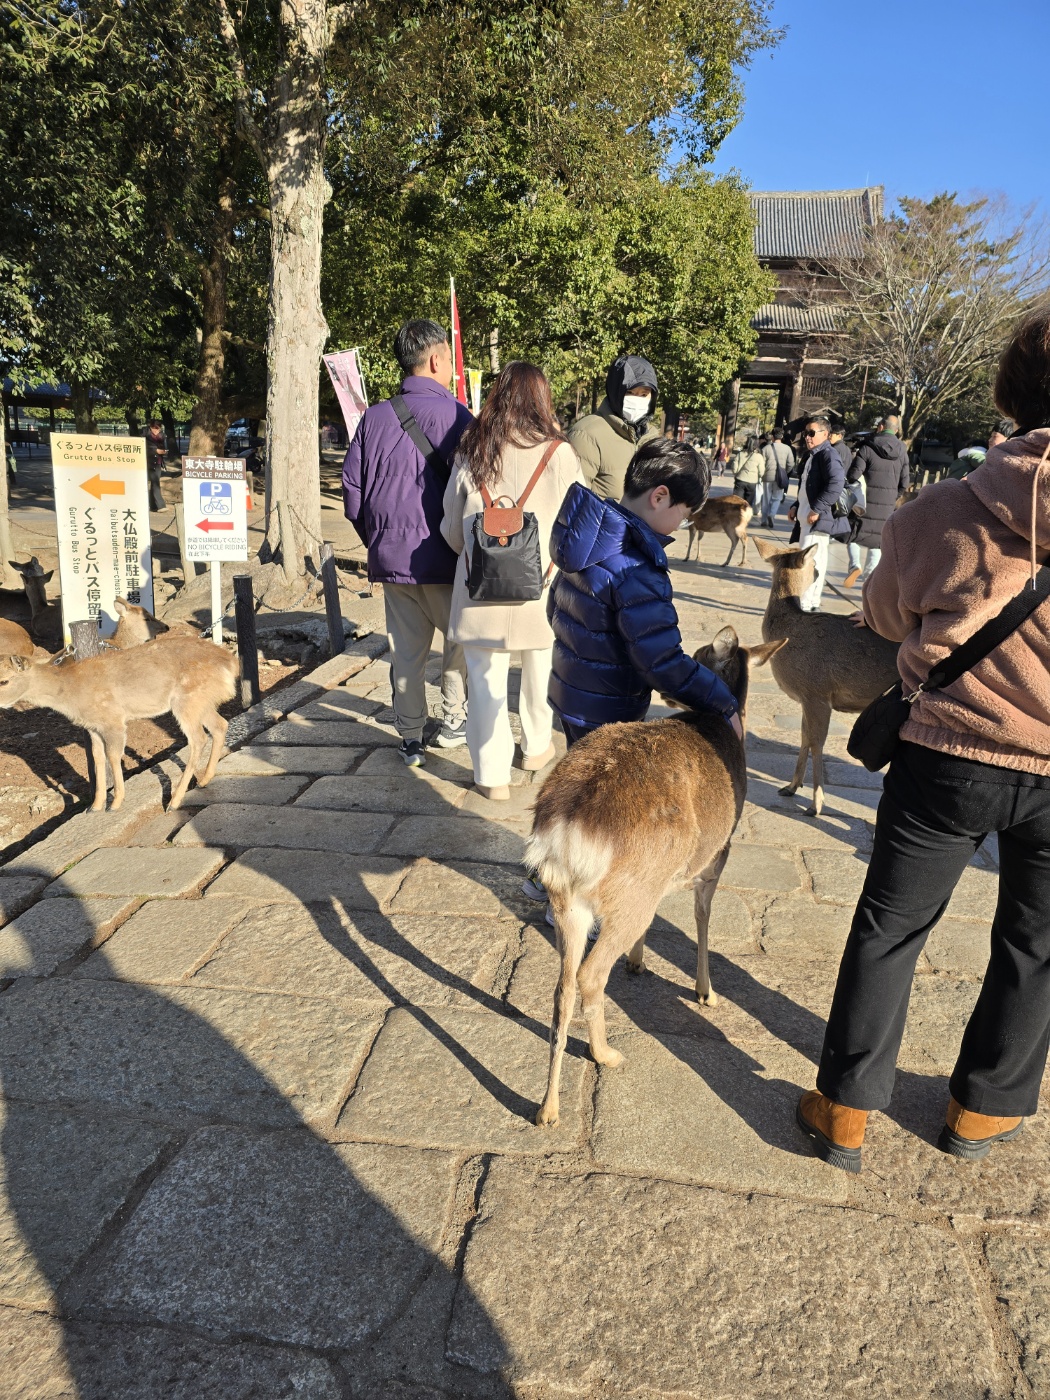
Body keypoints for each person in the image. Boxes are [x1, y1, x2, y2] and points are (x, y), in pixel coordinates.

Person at [798, 308, 1050, 1172]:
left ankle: (845, 1110)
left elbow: (878, 613)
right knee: (1038, 940)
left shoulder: (942, 509)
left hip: (949, 751)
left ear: (1012, 394)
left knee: (891, 925)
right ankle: (982, 1109)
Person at [440, 362, 583, 801]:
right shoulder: (558, 453)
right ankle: (536, 748)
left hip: (480, 584)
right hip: (541, 585)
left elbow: (450, 526)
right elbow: (577, 523)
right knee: (542, 667)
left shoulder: (472, 447)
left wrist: (481, 551)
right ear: (543, 399)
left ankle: (491, 776)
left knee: (483, 682)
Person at [546, 437, 743, 747]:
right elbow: (663, 663)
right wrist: (724, 703)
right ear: (660, 496)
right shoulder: (637, 568)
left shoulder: (590, 537)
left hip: (571, 697)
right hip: (610, 713)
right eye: (683, 514)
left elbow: (555, 610)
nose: (681, 525)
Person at [343, 319, 472, 767]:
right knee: (457, 646)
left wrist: (379, 541)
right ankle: (454, 723)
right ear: (436, 358)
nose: (453, 367)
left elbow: (353, 495)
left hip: (392, 559)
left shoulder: (373, 418)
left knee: (406, 652)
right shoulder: (459, 417)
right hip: (448, 560)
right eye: (450, 357)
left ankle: (411, 736)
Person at [567, 355, 660, 501]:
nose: (637, 400)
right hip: (602, 523)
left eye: (644, 394)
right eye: (630, 392)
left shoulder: (652, 436)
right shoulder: (586, 434)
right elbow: (572, 502)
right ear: (616, 392)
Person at [787, 417, 850, 612]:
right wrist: (797, 505)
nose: (807, 437)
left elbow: (837, 483)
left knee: (810, 562)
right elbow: (807, 486)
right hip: (807, 517)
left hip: (816, 519)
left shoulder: (828, 454)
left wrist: (817, 509)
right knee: (814, 560)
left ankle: (807, 602)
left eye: (812, 433)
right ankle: (811, 601)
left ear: (826, 434)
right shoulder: (814, 455)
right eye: (806, 433)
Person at [842, 414, 910, 588]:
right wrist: (892, 498)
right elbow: (904, 482)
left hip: (864, 502)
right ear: (895, 430)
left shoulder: (867, 447)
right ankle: (870, 578)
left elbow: (854, 475)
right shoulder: (902, 450)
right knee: (878, 542)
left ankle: (854, 565)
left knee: (854, 534)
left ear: (880, 427)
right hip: (887, 505)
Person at [761, 428, 795, 527]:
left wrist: (762, 474)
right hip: (780, 478)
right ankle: (772, 515)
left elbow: (761, 463)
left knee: (766, 499)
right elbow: (791, 463)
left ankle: (764, 520)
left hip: (767, 477)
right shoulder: (787, 448)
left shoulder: (766, 448)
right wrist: (785, 472)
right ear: (782, 437)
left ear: (772, 436)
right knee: (777, 498)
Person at [732, 434, 764, 508]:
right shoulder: (759, 456)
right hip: (752, 482)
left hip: (740, 479)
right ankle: (745, 517)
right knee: (748, 504)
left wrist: (736, 473)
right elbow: (761, 471)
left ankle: (737, 516)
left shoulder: (741, 454)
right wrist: (758, 476)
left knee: (737, 502)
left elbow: (734, 466)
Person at [144, 419, 166, 511]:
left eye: (158, 429)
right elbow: (143, 448)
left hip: (158, 462)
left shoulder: (162, 436)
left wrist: (163, 451)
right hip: (149, 462)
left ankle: (153, 505)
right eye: (154, 428)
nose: (156, 431)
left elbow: (164, 447)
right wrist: (155, 450)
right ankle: (161, 505)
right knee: (155, 482)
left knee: (154, 483)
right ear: (150, 427)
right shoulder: (145, 436)